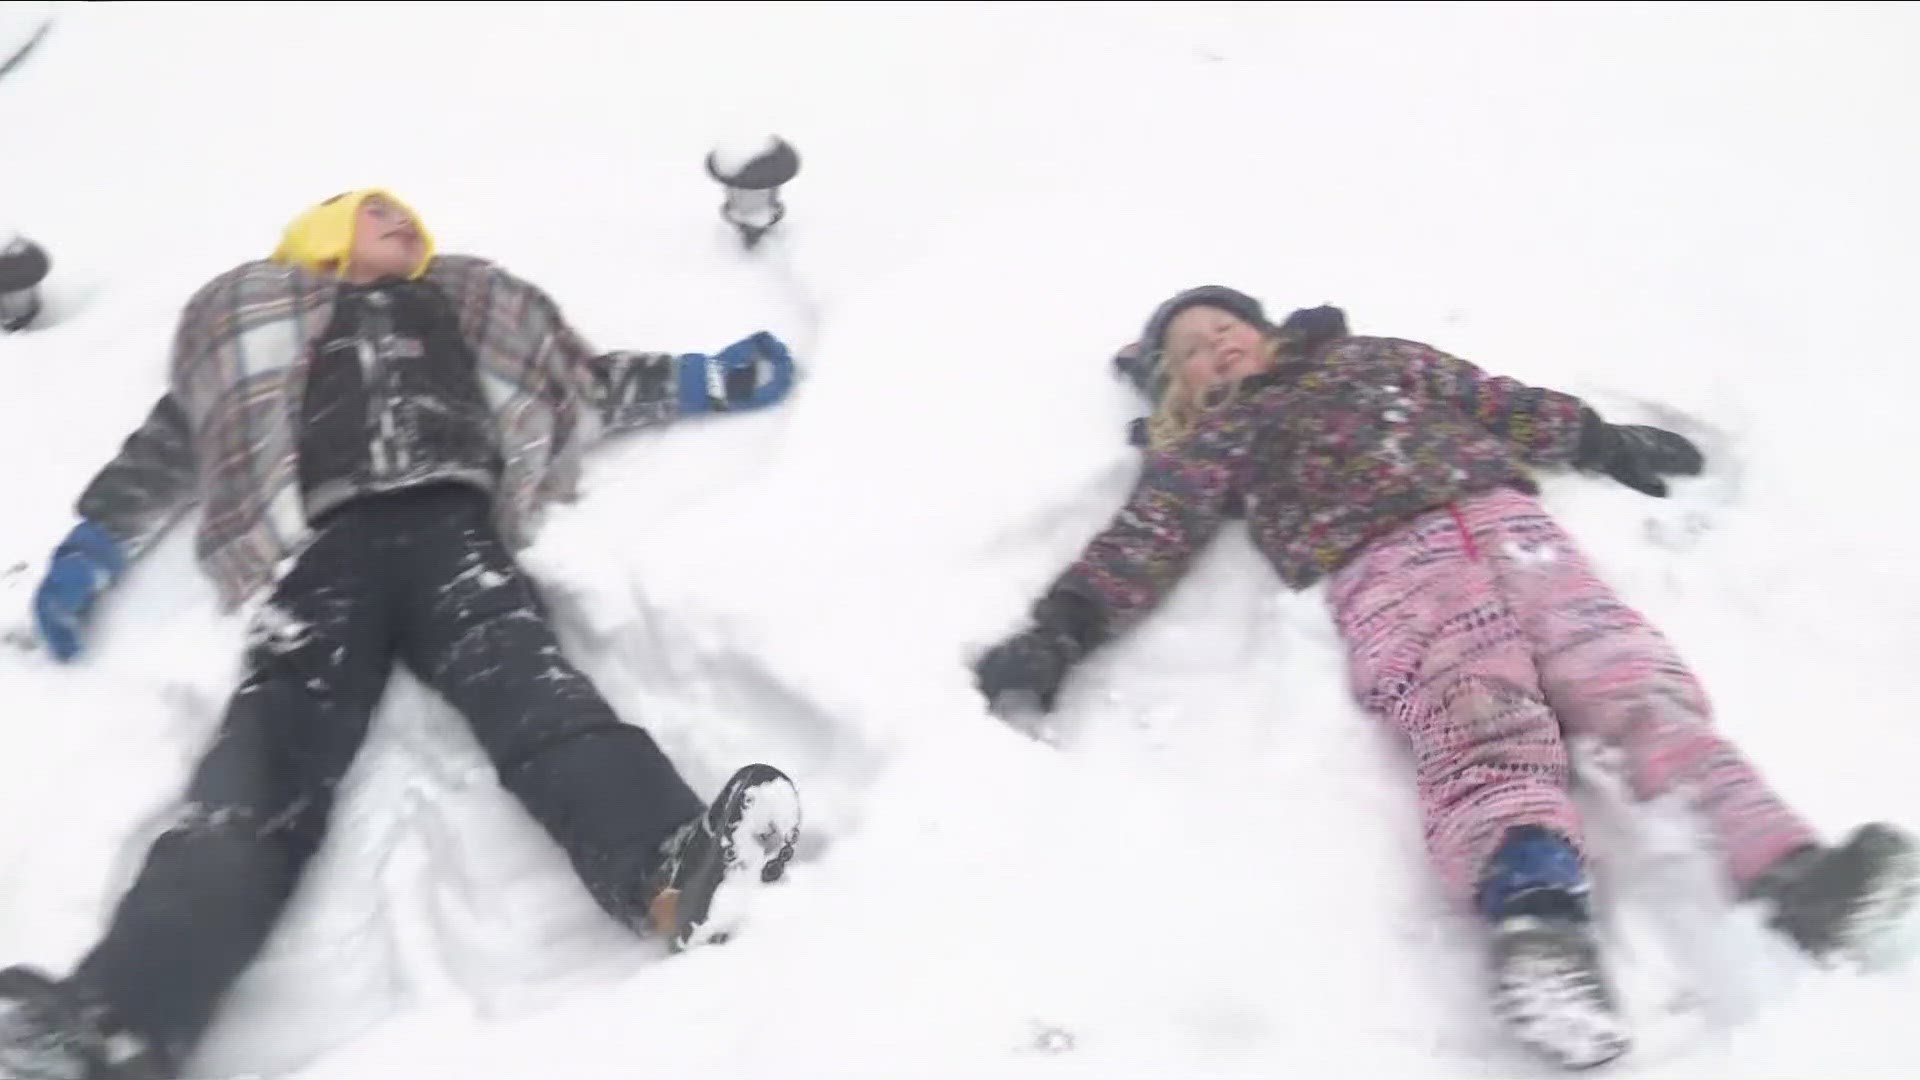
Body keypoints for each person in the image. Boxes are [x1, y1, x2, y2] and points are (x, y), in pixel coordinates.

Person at [971, 286, 1919, 1070]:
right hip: (1386, 567)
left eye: (1225, 329)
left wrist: (1592, 437)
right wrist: (1066, 626)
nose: (1216, 347)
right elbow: (1151, 535)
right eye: (1191, 354)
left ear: (1264, 329)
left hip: (1517, 530)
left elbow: (1487, 396)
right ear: (1179, 390)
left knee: (1638, 692)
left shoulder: (1372, 359)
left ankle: (1794, 871)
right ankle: (1539, 919)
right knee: (1477, 720)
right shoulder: (1218, 443)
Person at [0, 190, 805, 1080]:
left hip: (455, 538)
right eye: (375, 211)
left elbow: (577, 383)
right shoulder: (258, 327)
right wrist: (92, 547)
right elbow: (169, 446)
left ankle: (669, 867)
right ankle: (119, 1019)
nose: (405, 219)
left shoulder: (455, 305)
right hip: (319, 562)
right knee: (260, 775)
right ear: (320, 236)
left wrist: (703, 379)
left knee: (542, 700)